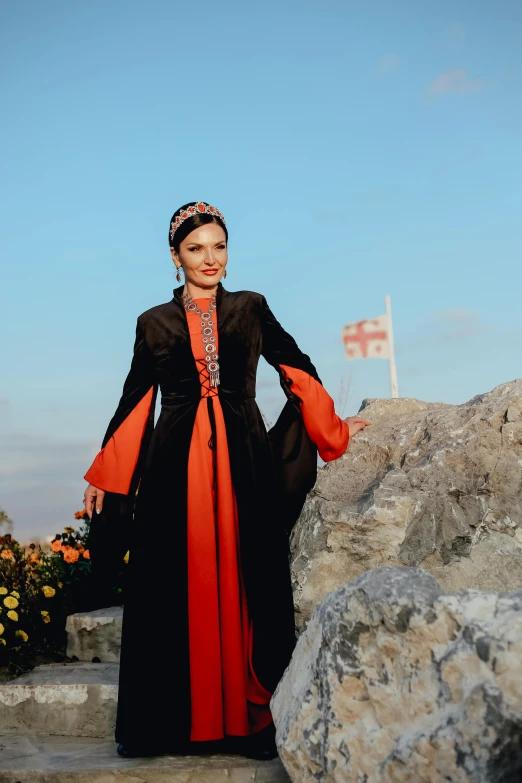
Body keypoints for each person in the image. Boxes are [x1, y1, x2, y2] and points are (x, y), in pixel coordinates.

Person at [83, 201, 370, 760]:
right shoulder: (153, 323)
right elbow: (136, 400)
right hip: (174, 465)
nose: (209, 258)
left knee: (248, 573)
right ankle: (172, 722)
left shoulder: (250, 307)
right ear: (175, 257)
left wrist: (333, 427)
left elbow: (295, 366)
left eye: (218, 246)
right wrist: (105, 472)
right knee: (176, 575)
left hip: (243, 455)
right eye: (196, 249)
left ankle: (249, 716)